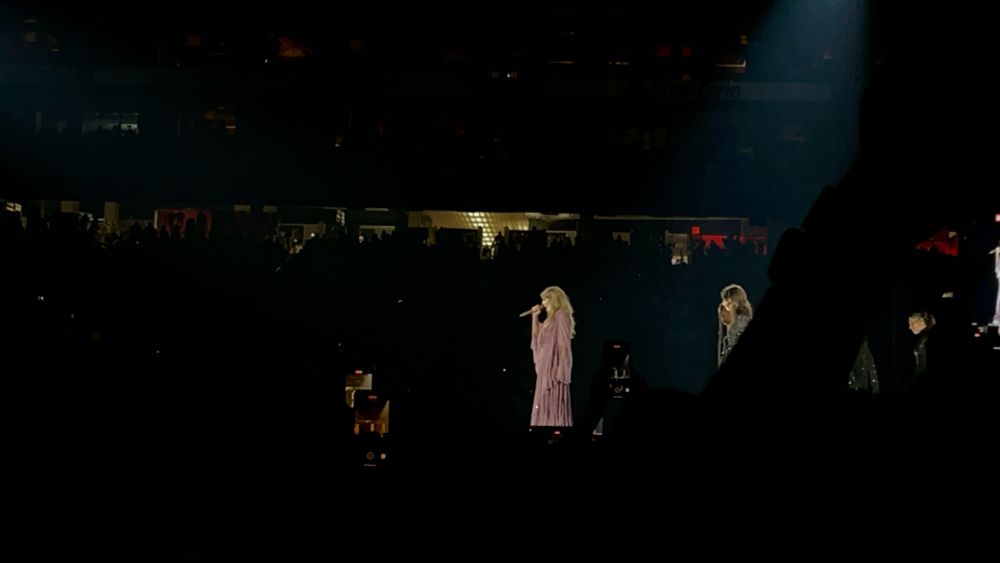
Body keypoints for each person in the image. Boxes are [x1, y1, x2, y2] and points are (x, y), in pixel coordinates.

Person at [527, 286, 575, 427]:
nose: (543, 303)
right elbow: (537, 340)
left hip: (554, 368)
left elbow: (564, 345)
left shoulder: (561, 315)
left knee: (554, 401)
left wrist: (561, 369)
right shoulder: (549, 320)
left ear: (554, 299)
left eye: (546, 299)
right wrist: (534, 317)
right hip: (545, 369)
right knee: (543, 403)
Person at [717, 284, 753, 368]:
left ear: (731, 301)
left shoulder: (741, 323)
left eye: (725, 301)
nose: (723, 303)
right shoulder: (741, 320)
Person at [908, 311, 936, 378]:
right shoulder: (920, 338)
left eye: (912, 323)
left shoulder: (927, 339)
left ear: (921, 321)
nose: (909, 327)